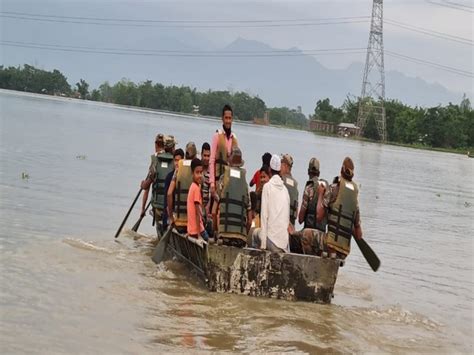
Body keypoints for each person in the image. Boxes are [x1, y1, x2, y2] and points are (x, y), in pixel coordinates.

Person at [316, 157, 363, 259]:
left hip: (330, 246)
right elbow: (359, 235)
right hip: (343, 253)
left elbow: (319, 217)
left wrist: (320, 194)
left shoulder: (333, 188)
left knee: (306, 235)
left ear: (341, 170)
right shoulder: (355, 199)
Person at [252, 155, 291, 253]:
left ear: (269, 169)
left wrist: (263, 245)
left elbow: (264, 216)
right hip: (284, 244)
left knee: (253, 234)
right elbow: (287, 219)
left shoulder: (267, 187)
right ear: (279, 170)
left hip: (272, 241)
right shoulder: (285, 190)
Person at [209, 105, 238, 231]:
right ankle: (213, 233)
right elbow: (211, 160)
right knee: (214, 210)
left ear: (232, 119)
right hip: (217, 179)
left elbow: (237, 162)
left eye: (230, 118)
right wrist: (211, 184)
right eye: (226, 118)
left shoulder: (234, 138)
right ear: (222, 119)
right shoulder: (216, 136)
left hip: (229, 182)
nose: (227, 120)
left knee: (226, 210)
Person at [290, 157, 328, 255]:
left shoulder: (309, 188)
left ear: (308, 172)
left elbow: (300, 219)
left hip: (309, 234)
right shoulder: (326, 189)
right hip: (323, 236)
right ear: (319, 173)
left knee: (292, 237)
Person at [216, 146, 252, 247]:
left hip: (224, 237)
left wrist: (216, 234)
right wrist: (244, 235)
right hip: (240, 239)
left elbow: (214, 211)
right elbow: (249, 221)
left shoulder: (223, 179)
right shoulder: (245, 184)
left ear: (229, 161)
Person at [140, 133, 175, 235]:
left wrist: (142, 209)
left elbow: (146, 187)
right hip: (170, 208)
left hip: (158, 208)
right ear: (173, 148)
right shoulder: (176, 162)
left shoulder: (155, 161)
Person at [167, 142, 197, 233]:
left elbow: (169, 194)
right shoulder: (197, 169)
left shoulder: (178, 169)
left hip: (179, 223)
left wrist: (171, 218)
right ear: (195, 155)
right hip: (193, 224)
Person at [162, 148, 184, 231]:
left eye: (179, 160)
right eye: (175, 160)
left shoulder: (186, 178)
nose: (177, 163)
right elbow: (166, 202)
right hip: (171, 214)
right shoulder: (169, 177)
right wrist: (168, 218)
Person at [187, 158, 209, 241]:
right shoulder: (196, 189)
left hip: (191, 230)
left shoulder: (192, 186)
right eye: (197, 173)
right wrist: (199, 235)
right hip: (198, 231)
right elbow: (196, 213)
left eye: (201, 172)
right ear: (192, 173)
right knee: (209, 240)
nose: (200, 175)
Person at [280, 154, 299, 227]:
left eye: (281, 164)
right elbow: (296, 212)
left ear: (285, 166)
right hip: (291, 225)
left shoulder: (280, 180)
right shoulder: (295, 184)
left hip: (280, 223)